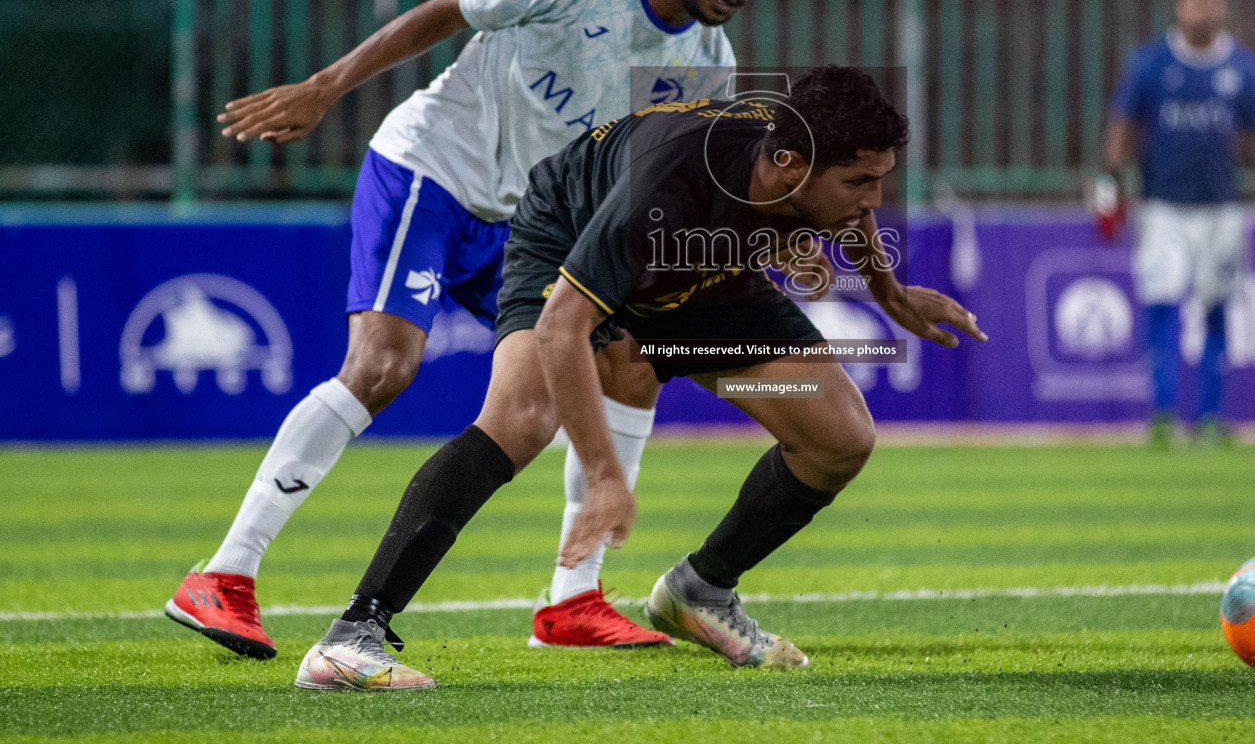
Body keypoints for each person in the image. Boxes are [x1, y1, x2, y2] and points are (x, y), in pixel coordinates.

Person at [166, 0, 797, 658]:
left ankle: (573, 600)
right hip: (431, 169)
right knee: (384, 366)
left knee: (627, 359)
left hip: (520, 226)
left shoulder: (709, 70)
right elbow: (448, 12)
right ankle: (225, 574)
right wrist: (327, 85)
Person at [292, 66, 988, 690]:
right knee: (522, 420)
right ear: (788, 166)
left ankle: (701, 591)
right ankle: (351, 637)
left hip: (705, 273)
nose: (873, 201)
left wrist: (892, 296)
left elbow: (849, 214)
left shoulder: (797, 162)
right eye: (859, 182)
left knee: (839, 437)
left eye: (880, 180)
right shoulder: (668, 189)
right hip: (569, 237)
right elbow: (564, 326)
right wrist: (602, 477)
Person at [1096, 0, 1255, 447]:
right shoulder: (1150, 64)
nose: (1200, 7)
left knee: (1217, 309)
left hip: (1221, 208)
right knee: (1161, 302)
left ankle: (1209, 417)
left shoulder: (1242, 68)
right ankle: (1163, 415)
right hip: (1163, 206)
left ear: (1222, 5)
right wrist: (1109, 182)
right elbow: (1123, 123)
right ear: (1178, 5)